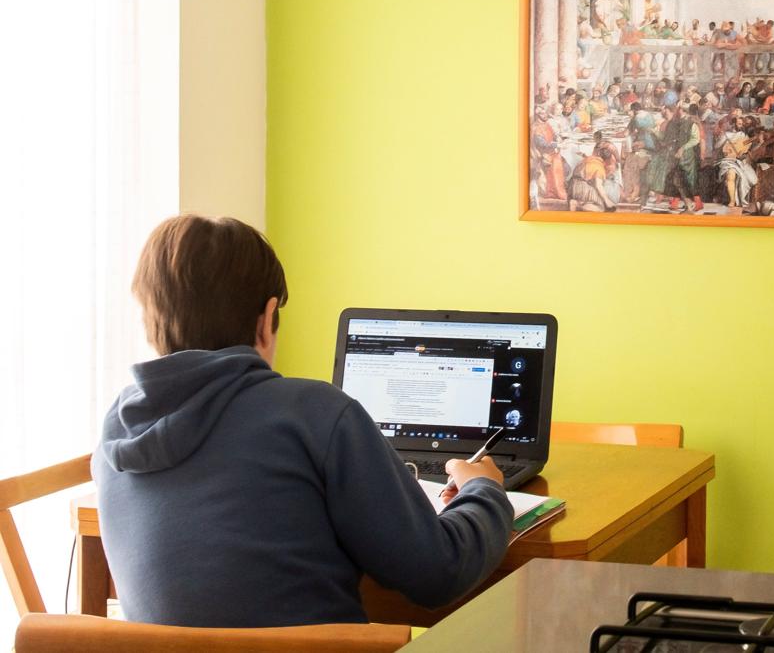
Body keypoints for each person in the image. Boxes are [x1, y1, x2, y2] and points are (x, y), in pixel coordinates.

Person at [93, 216, 512, 628]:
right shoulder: (314, 414)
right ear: (267, 318)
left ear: (150, 318)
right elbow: (438, 573)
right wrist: (485, 489)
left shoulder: (117, 429)